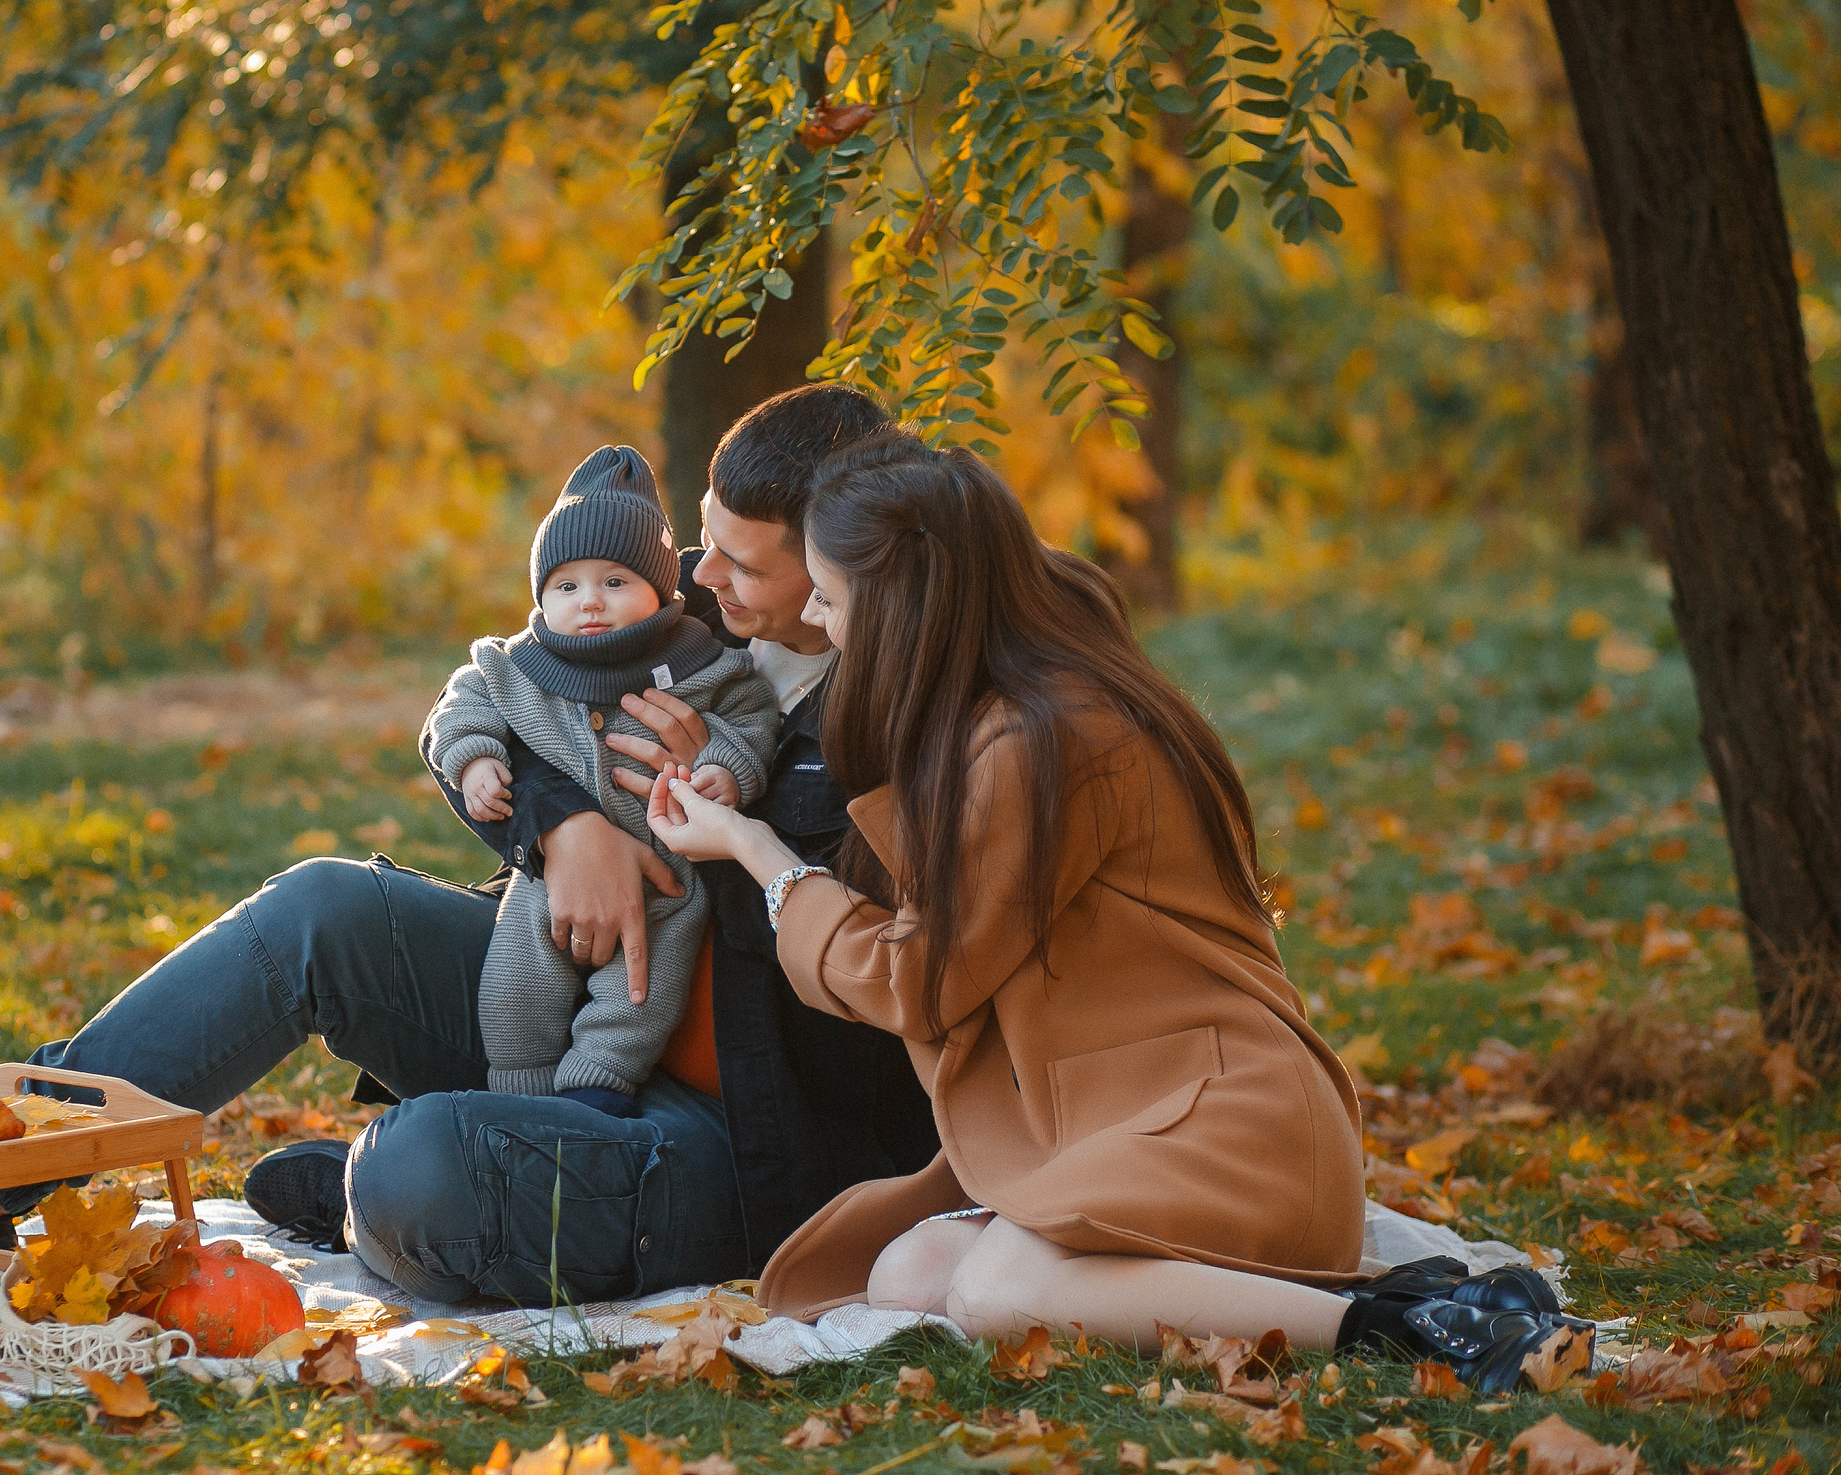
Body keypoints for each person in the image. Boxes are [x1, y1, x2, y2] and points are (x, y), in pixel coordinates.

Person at [0, 384, 938, 1305]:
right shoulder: (696, 609)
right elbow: (483, 699)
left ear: (846, 554)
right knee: (322, 906)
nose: (698, 574)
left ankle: (399, 1186)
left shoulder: (902, 715)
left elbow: (884, 1023)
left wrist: (724, 828)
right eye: (704, 545)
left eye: (743, 561)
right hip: (547, 990)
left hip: (725, 1137)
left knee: (423, 1166)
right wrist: (561, 821)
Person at [642, 432, 1593, 1391]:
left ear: (903, 607)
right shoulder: (1013, 709)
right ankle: (1416, 1295)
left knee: (993, 1297)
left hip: (1228, 1121)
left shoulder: (1038, 742)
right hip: (1122, 1119)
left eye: (831, 597)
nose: (815, 615)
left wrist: (759, 854)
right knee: (907, 1271)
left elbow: (915, 980)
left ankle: (1418, 1327)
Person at [425, 444, 779, 1116]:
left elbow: (751, 720)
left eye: (616, 582)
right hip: (543, 889)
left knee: (642, 992)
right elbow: (463, 700)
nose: (590, 601)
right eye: (567, 586)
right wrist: (474, 758)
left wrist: (725, 772)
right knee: (513, 993)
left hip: (665, 886)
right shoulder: (518, 665)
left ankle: (595, 1091)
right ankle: (521, 1099)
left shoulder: (703, 665)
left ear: (664, 590)